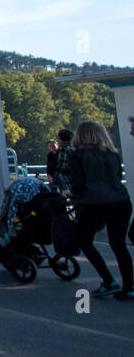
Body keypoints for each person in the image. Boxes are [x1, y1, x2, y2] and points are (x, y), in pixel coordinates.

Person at [68, 121, 133, 300]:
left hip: (96, 202)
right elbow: (118, 177)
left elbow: (78, 183)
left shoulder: (78, 155)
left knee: (83, 239)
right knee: (119, 245)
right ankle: (129, 287)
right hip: (121, 201)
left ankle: (108, 280)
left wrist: (72, 194)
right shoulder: (111, 154)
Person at [46, 128, 75, 198]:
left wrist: (55, 177)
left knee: (62, 196)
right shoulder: (72, 148)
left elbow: (61, 165)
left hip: (64, 179)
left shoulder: (63, 149)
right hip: (72, 177)